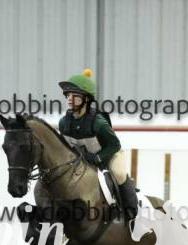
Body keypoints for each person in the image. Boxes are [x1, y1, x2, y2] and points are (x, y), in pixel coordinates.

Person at [58, 69, 138, 222]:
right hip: (82, 161)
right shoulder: (63, 123)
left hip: (108, 154)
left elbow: (115, 145)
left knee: (119, 173)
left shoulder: (98, 122)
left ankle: (132, 213)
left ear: (86, 99)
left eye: (74, 95)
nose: (69, 99)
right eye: (68, 95)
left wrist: (97, 158)